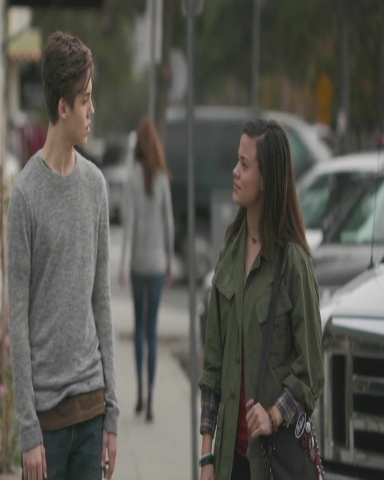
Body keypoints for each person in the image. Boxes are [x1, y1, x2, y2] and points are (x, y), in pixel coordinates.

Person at [7, 31, 119, 480]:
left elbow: (102, 301)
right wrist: (27, 430)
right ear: (63, 107)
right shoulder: (25, 196)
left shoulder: (96, 187)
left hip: (92, 411)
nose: (92, 110)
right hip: (46, 426)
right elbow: (17, 320)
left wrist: (112, 414)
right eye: (85, 99)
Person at [197, 119, 325, 480]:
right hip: (230, 462)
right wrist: (207, 456)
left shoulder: (293, 262)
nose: (235, 172)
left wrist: (274, 415)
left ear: (267, 179)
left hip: (273, 463)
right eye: (237, 162)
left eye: (245, 164)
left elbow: (311, 371)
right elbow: (213, 368)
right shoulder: (230, 252)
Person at [118, 117, 174, 423]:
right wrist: (170, 262)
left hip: (139, 265)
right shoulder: (163, 180)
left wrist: (123, 265)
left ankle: (139, 391)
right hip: (158, 264)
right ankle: (151, 399)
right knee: (152, 330)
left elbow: (128, 225)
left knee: (139, 328)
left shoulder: (132, 178)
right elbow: (169, 224)